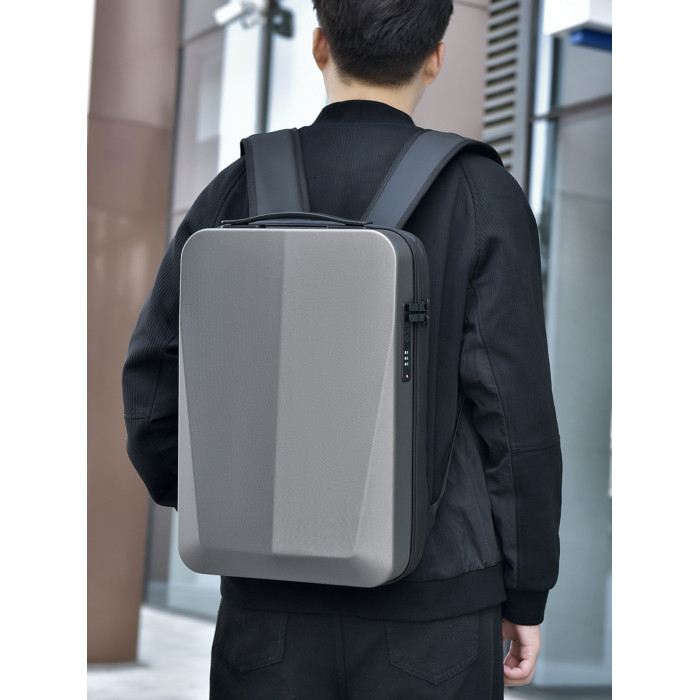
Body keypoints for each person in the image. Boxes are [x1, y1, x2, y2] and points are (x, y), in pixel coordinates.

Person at [122, 1, 562, 697]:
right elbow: (515, 418)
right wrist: (527, 589)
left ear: (320, 45)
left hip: (267, 612)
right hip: (436, 613)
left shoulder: (237, 187)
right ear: (435, 58)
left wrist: (229, 508)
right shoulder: (482, 193)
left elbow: (151, 384)